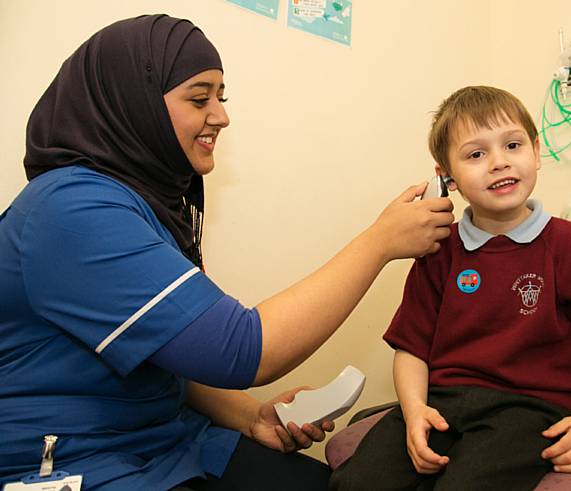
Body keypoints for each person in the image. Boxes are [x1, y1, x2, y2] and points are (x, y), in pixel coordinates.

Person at [0, 14, 455, 491]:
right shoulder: (72, 210)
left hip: (166, 440)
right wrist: (380, 242)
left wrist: (252, 416)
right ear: (132, 104)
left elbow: (168, 350)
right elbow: (239, 350)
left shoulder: (146, 205)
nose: (221, 115)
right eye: (200, 98)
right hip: (80, 460)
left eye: (222, 96)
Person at [329, 86, 571, 491]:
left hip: (531, 408)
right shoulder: (438, 251)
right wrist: (414, 409)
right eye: (476, 154)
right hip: (442, 402)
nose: (498, 162)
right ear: (448, 176)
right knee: (359, 484)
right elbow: (411, 349)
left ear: (536, 151)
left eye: (512, 145)